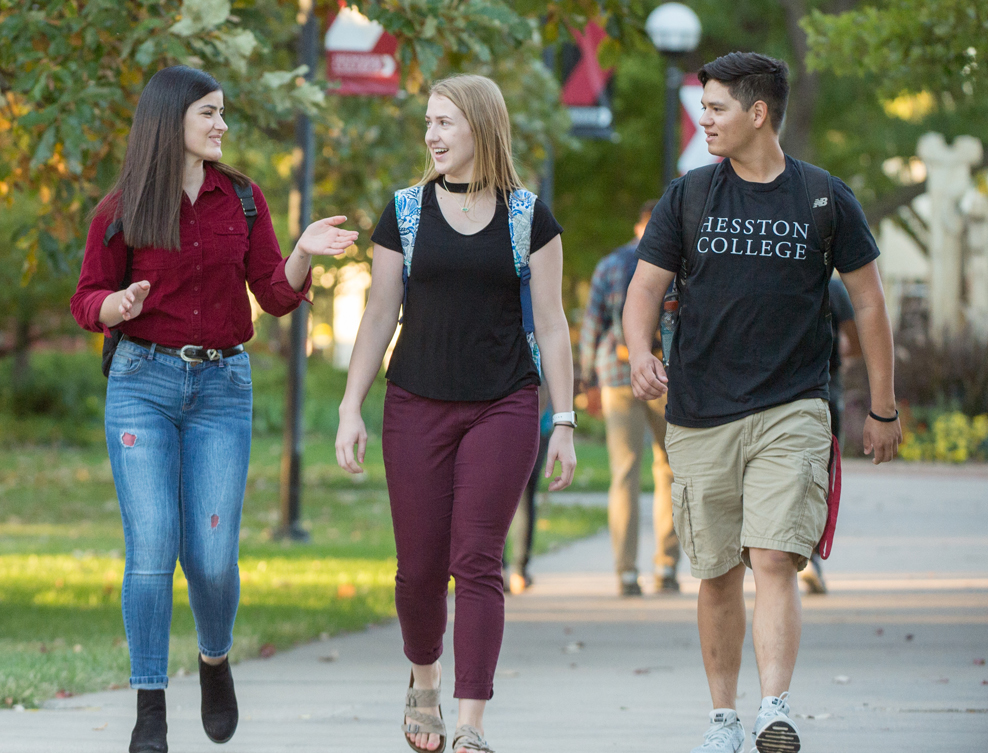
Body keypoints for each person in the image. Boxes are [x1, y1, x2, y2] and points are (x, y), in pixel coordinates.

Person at [70, 65, 357, 753]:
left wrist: (302, 255)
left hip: (221, 390)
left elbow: (276, 295)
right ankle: (149, 706)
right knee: (151, 552)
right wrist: (117, 307)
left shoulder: (245, 200)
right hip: (140, 383)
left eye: (221, 113)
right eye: (209, 113)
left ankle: (215, 659)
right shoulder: (120, 209)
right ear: (172, 122)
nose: (222, 125)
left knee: (213, 560)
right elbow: (88, 298)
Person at [623, 52, 901, 753]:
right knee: (716, 572)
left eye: (716, 108)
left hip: (793, 406)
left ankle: (773, 707)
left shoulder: (823, 196)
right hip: (700, 410)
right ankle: (723, 717)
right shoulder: (688, 195)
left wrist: (885, 407)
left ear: (758, 113)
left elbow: (868, 303)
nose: (705, 119)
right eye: (701, 107)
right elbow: (645, 289)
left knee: (773, 557)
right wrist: (639, 351)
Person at [335, 75, 577, 753]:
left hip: (503, 403)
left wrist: (563, 420)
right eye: (428, 124)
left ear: (479, 126)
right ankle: (423, 680)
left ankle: (471, 724)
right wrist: (351, 406)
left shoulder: (531, 216)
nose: (432, 135)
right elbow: (379, 314)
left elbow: (553, 326)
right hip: (415, 402)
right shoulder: (405, 212)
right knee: (418, 567)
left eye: (444, 122)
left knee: (477, 560)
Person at [579, 200, 679, 597]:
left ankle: (626, 571)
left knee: (625, 473)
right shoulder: (674, 261)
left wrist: (588, 377)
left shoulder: (610, 264)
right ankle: (666, 567)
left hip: (619, 377)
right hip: (662, 373)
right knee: (669, 470)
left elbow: (593, 324)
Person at [798, 276, 860, 595]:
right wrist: (846, 354)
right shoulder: (834, 288)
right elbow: (855, 337)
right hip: (824, 388)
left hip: (780, 391)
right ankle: (809, 557)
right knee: (819, 476)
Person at [506, 401, 551, 595]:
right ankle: (519, 571)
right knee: (526, 496)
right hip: (536, 421)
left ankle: (499, 567)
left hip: (507, 419)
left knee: (493, 497)